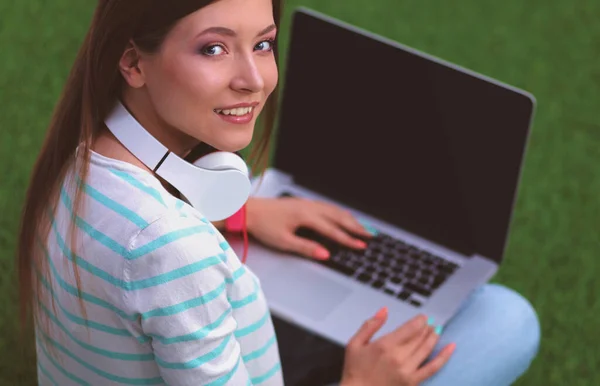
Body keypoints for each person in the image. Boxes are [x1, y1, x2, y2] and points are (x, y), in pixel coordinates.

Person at [15, 0, 541, 385]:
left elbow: (135, 255)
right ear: (133, 63)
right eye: (215, 48)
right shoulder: (171, 250)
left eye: (263, 44)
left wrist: (239, 217)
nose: (255, 80)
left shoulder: (84, 159)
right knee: (507, 320)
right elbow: (159, 257)